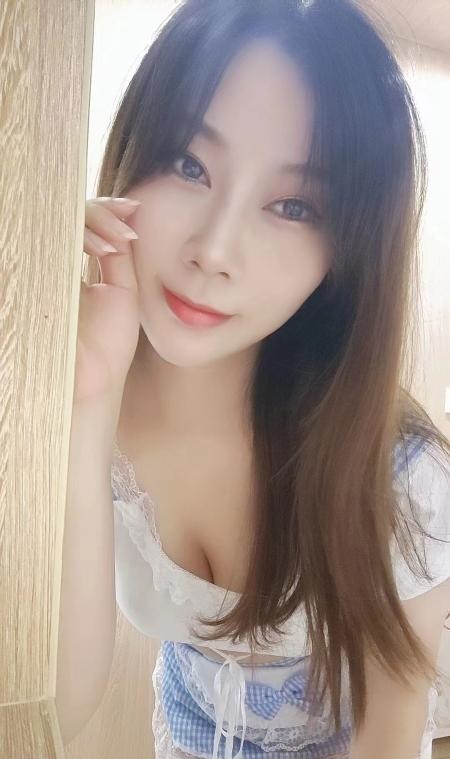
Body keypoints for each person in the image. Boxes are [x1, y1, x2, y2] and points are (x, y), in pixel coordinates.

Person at [81, 0, 450, 757]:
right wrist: (85, 398)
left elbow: (390, 718)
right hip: (197, 717)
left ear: (345, 253)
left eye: (291, 205)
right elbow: (51, 702)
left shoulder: (403, 476)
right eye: (189, 164)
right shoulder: (67, 393)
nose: (215, 251)